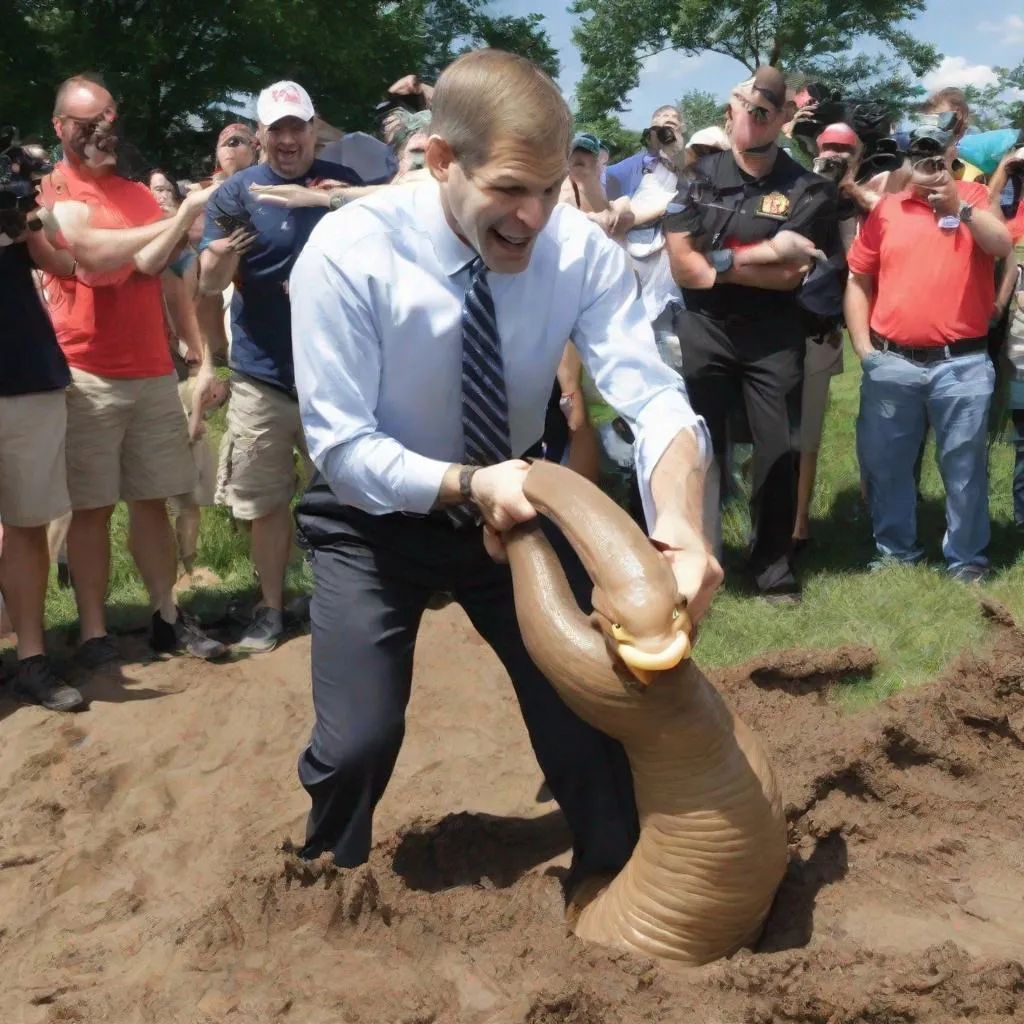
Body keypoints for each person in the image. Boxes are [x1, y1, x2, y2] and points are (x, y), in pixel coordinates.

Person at [287, 49, 721, 891]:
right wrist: (467, 482)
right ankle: (320, 883)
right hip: (371, 519)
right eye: (512, 190)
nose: (534, 216)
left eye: (554, 189)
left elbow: (655, 397)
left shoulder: (579, 255)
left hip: (512, 511)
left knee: (589, 716)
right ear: (443, 160)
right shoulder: (347, 253)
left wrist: (678, 522)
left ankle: (614, 881)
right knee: (358, 741)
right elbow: (341, 447)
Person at [37, 74, 226, 665]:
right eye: (87, 123)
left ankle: (165, 615)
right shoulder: (49, 191)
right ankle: (94, 633)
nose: (100, 132)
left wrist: (196, 354)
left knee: (154, 498)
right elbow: (90, 257)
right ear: (60, 126)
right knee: (91, 508)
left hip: (149, 367)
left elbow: (154, 264)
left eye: (108, 119)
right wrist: (182, 214)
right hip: (84, 369)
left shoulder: (138, 193)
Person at [195, 81, 362, 652]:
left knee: (350, 490)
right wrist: (220, 260)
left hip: (338, 374)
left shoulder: (345, 185)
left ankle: (352, 599)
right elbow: (210, 282)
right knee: (264, 502)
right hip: (261, 373)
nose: (289, 139)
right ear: (261, 133)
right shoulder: (236, 194)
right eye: (278, 129)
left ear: (313, 128)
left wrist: (336, 201)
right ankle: (271, 607)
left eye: (299, 127)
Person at [664, 66, 838, 603]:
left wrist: (715, 260)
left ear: (784, 119)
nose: (753, 119)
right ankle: (695, 557)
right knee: (699, 446)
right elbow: (682, 269)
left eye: (767, 111)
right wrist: (750, 260)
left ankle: (771, 566)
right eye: (747, 107)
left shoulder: (809, 188)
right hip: (706, 329)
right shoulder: (696, 178)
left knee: (779, 449)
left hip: (772, 334)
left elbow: (792, 274)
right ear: (733, 110)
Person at [845, 119, 1012, 580]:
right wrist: (864, 350)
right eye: (918, 157)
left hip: (961, 362)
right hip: (892, 362)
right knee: (889, 466)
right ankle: (896, 553)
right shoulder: (887, 210)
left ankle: (966, 559)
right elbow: (858, 278)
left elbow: (1002, 245)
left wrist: (960, 206)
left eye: (935, 157)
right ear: (906, 162)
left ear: (950, 157)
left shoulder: (974, 198)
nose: (927, 166)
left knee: (964, 468)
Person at [0, 200, 85, 710]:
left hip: (28, 377)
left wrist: (25, 217)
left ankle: (31, 658)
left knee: (28, 524)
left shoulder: (11, 200)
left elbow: (61, 264)